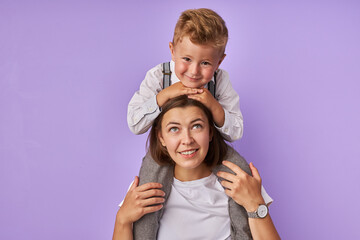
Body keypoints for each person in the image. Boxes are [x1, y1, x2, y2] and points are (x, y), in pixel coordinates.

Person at [127, 8, 248, 236]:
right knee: (148, 189)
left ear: (220, 61)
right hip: (165, 151)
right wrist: (164, 96)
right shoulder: (158, 77)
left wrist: (213, 105)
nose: (193, 71)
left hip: (210, 149)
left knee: (239, 172)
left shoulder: (220, 81)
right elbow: (135, 124)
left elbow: (236, 131)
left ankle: (243, 232)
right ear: (172, 50)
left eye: (205, 63)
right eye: (186, 59)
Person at [113, 95, 280, 240]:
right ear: (161, 137)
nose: (187, 139)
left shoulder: (241, 184)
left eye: (196, 126)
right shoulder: (144, 188)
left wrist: (255, 205)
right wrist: (122, 219)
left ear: (210, 132)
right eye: (174, 129)